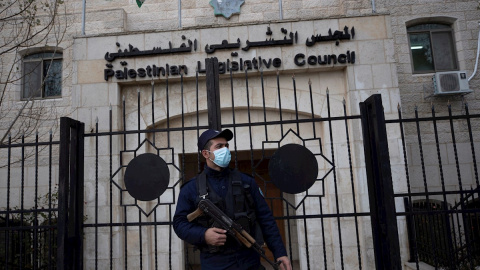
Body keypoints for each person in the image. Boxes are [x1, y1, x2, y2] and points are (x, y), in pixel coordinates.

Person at [173, 129, 292, 270]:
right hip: (215, 263)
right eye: (219, 146)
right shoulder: (191, 188)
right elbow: (180, 224)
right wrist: (204, 235)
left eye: (226, 146)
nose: (225, 150)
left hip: (249, 261)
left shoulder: (246, 182)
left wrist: (280, 253)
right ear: (206, 153)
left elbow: (266, 219)